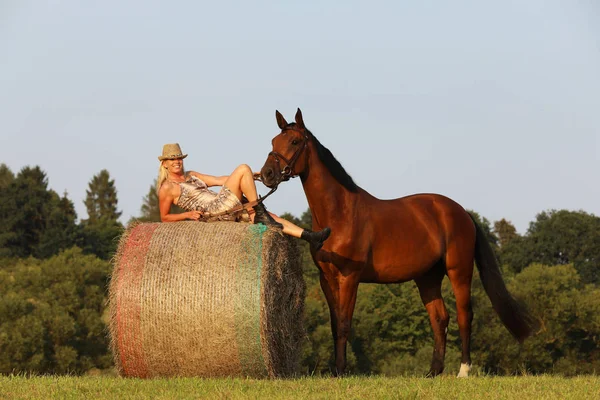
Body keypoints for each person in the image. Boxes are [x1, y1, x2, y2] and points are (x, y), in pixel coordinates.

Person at [157, 143, 331, 250]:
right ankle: (256, 211)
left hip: (223, 204)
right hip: (212, 212)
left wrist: (251, 177)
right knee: (242, 168)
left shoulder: (191, 174)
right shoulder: (167, 187)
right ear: (164, 164)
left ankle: (310, 237)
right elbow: (164, 217)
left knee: (273, 218)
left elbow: (220, 180)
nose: (177, 161)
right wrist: (187, 215)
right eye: (172, 159)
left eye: (179, 158)